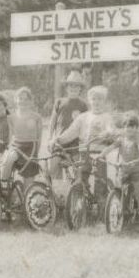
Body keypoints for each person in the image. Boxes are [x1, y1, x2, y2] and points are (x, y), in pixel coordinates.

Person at [100, 114, 139, 228]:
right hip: (123, 169)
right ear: (124, 127)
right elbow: (111, 147)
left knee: (138, 193)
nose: (130, 129)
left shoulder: (138, 138)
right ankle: (121, 212)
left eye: (133, 127)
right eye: (127, 126)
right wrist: (102, 153)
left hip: (135, 169)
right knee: (117, 190)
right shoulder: (122, 138)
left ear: (136, 128)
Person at [47, 70, 90, 199]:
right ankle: (60, 195)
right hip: (59, 143)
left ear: (80, 88)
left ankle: (78, 196)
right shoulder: (59, 102)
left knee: (78, 168)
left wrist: (84, 146)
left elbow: (85, 126)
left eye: (76, 86)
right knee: (54, 166)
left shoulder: (83, 105)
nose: (73, 88)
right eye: (71, 85)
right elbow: (52, 122)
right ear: (66, 87)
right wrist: (50, 138)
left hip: (75, 144)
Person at [0, 87, 43, 185]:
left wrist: (36, 154)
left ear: (31, 101)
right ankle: (4, 187)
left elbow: (39, 138)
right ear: (16, 100)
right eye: (20, 98)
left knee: (28, 184)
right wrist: (9, 148)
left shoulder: (36, 117)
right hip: (17, 146)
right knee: (8, 160)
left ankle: (26, 197)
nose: (23, 101)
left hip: (31, 147)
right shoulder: (11, 117)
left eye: (26, 99)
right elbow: (11, 136)